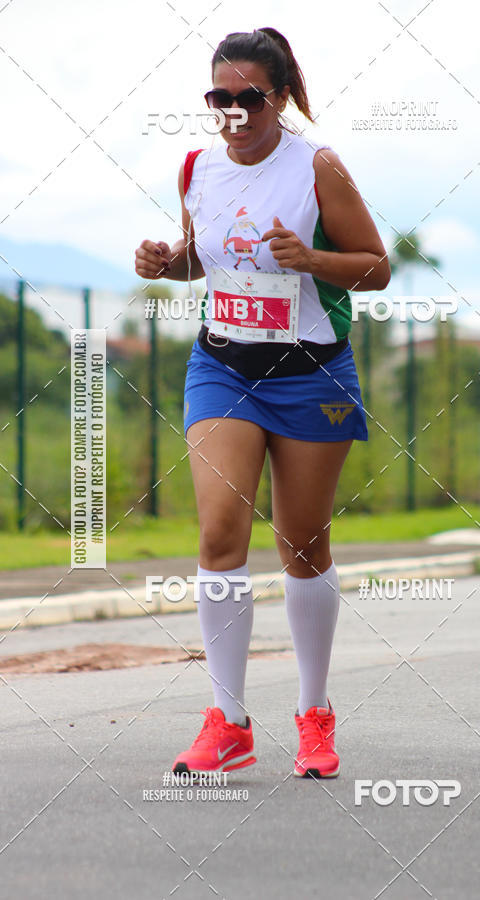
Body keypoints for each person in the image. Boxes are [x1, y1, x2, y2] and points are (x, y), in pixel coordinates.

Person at [134, 27, 390, 778]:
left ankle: (313, 713)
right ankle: (229, 719)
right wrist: (166, 261)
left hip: (313, 373)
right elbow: (204, 259)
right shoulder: (196, 168)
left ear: (279, 98)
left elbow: (376, 267)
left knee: (303, 543)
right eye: (221, 98)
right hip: (223, 368)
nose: (236, 112)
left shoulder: (318, 167)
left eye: (251, 98)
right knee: (220, 533)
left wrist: (312, 260)